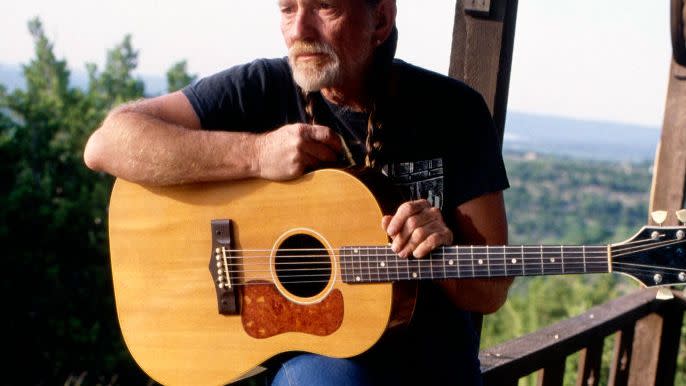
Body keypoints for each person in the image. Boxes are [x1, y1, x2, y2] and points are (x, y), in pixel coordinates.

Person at [84, 0, 512, 384]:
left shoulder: (455, 111)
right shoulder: (259, 88)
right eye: (288, 9)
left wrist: (441, 247)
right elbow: (107, 144)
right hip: (321, 368)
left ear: (379, 18)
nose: (299, 30)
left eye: (323, 7)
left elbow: (490, 292)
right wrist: (254, 153)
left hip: (432, 370)